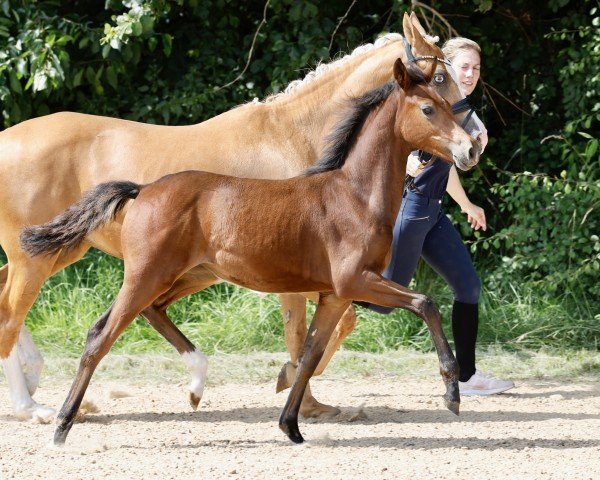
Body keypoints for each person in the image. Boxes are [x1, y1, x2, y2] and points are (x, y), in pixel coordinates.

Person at [366, 37, 514, 395]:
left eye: (476, 68)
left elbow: (445, 170)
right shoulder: (427, 104)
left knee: (469, 286)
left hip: (432, 214)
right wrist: (407, 164)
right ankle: (322, 289)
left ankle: (467, 376)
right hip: (412, 209)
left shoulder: (459, 116)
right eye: (463, 66)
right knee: (383, 304)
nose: (471, 73)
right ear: (446, 68)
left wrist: (465, 204)